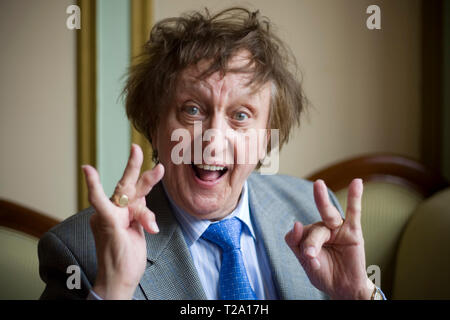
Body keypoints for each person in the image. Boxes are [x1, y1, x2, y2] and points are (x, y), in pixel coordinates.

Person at [38, 7, 385, 300]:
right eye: (192, 110)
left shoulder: (310, 208)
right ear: (154, 126)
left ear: (267, 137)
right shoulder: (78, 250)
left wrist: (358, 294)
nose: (214, 141)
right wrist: (113, 288)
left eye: (241, 115)